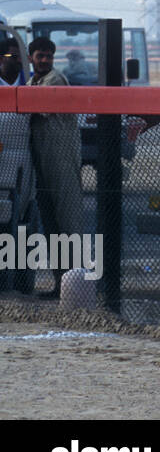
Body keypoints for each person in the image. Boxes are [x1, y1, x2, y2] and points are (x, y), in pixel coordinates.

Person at [26, 37, 83, 298]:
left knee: (68, 223)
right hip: (43, 162)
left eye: (49, 56)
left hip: (61, 162)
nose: (45, 60)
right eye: (41, 56)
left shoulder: (54, 80)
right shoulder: (31, 83)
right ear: (31, 58)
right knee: (51, 225)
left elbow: (32, 108)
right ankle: (62, 284)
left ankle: (76, 284)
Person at [0, 36, 37, 293]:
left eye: (19, 57)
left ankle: (22, 283)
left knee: (25, 223)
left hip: (24, 162)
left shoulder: (30, 84)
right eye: (11, 57)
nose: (17, 62)